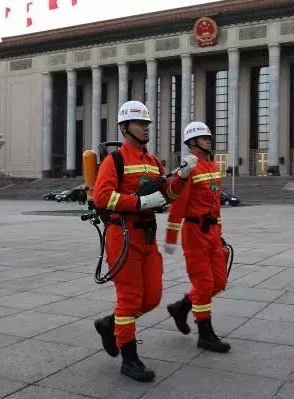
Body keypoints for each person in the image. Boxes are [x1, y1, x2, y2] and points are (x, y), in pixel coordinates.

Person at [93, 100, 197, 382]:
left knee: (151, 297)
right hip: (123, 234)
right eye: (141, 123)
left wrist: (183, 177)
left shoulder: (153, 162)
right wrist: (138, 202)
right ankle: (129, 359)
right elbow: (103, 197)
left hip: (147, 236)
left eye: (148, 123)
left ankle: (109, 324)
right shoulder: (114, 160)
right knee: (129, 299)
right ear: (125, 127)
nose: (146, 128)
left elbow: (169, 195)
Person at [163, 121, 231, 353]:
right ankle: (205, 333)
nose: (209, 140)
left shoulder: (211, 166)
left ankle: (181, 307)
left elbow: (215, 206)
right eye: (204, 138)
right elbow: (178, 205)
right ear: (192, 142)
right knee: (204, 283)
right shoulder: (189, 168)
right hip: (194, 232)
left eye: (209, 137)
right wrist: (171, 237)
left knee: (219, 282)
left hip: (212, 232)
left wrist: (219, 234)